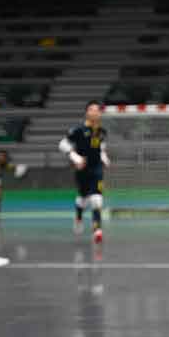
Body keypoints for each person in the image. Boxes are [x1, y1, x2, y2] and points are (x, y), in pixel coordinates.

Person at [58, 101, 110, 244]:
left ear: (100, 113)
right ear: (87, 113)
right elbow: (62, 144)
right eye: (91, 110)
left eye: (97, 110)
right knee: (82, 199)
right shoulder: (78, 130)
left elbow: (101, 146)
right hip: (82, 170)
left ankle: (97, 230)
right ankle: (78, 217)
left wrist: (104, 157)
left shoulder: (102, 131)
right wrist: (75, 157)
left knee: (97, 199)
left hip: (97, 169)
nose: (94, 112)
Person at [0, 150, 27, 217]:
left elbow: (12, 167)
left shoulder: (3, 164)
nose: (6, 159)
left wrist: (19, 168)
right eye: (4, 157)